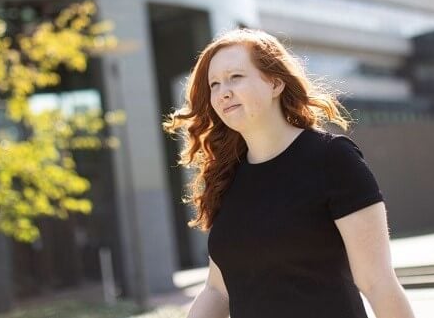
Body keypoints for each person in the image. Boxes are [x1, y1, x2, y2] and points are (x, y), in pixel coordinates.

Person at [163, 28, 415, 318]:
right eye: (215, 84)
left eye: (236, 77)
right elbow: (218, 291)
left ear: (275, 83)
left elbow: (378, 282)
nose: (223, 92)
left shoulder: (332, 159)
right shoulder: (225, 178)